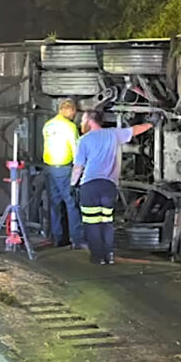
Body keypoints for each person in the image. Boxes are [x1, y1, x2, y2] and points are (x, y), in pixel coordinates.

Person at [70, 111, 154, 265]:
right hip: (109, 185)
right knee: (107, 221)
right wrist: (152, 123)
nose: (81, 122)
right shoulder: (114, 134)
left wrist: (72, 184)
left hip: (90, 185)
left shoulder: (84, 140)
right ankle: (109, 255)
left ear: (89, 121)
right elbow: (135, 130)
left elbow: (78, 166)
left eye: (83, 119)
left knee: (92, 222)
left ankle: (97, 257)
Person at [41, 99, 84, 248]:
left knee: (54, 203)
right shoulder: (70, 127)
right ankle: (76, 239)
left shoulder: (48, 125)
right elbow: (77, 151)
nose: (75, 114)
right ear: (71, 110)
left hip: (49, 167)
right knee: (71, 204)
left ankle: (57, 238)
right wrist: (80, 169)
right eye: (75, 111)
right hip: (64, 169)